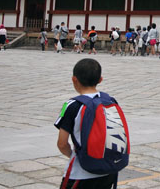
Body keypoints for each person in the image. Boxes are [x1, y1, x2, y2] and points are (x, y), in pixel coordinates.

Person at [54, 58, 126, 189]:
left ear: (74, 79)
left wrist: (74, 155)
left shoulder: (72, 105)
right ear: (100, 80)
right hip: (108, 169)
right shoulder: (111, 101)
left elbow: (62, 143)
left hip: (80, 173)